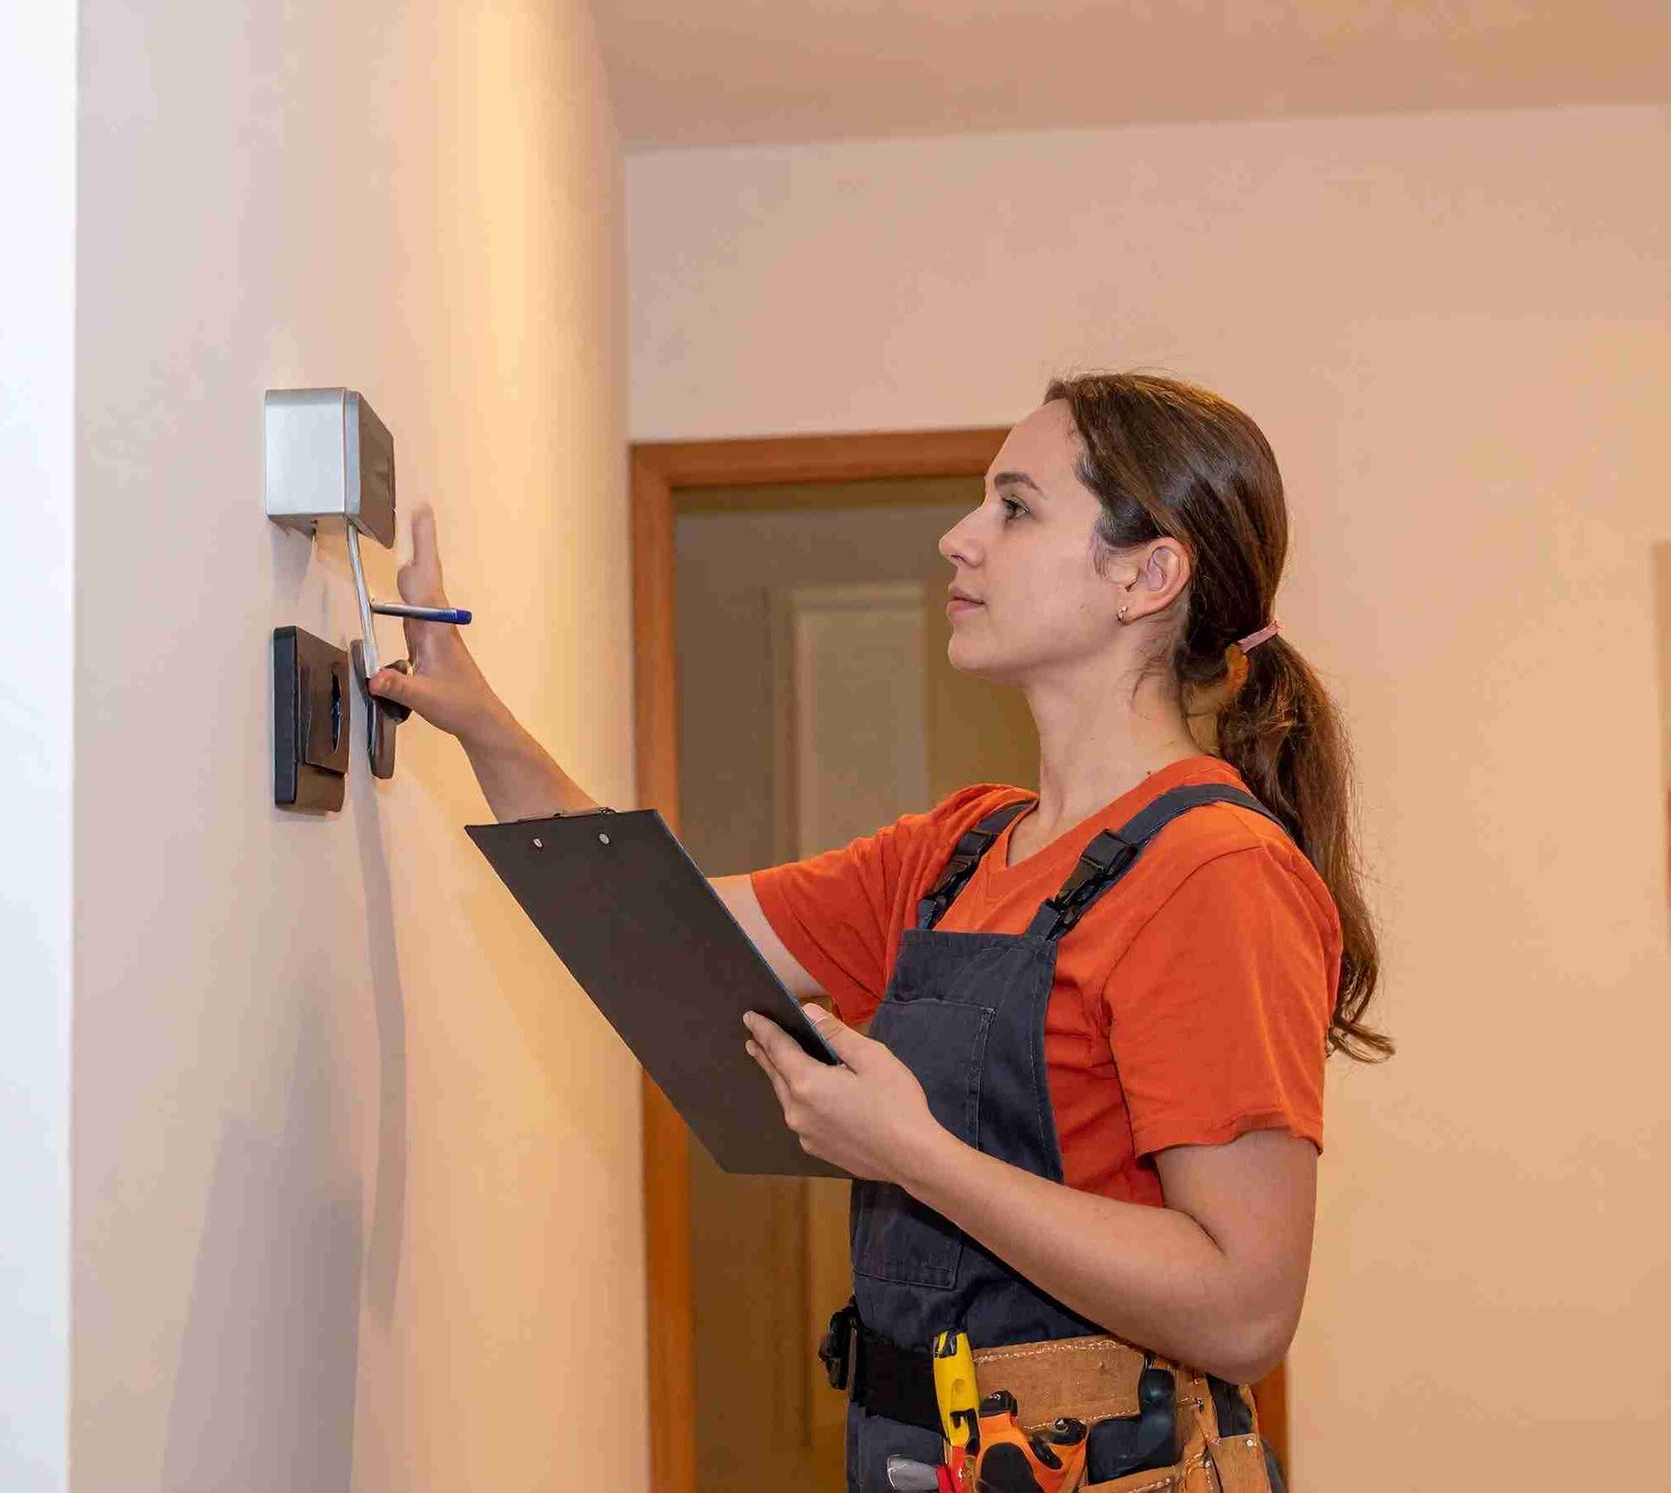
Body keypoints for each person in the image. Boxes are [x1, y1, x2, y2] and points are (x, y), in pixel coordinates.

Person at [368, 371, 1390, 1491]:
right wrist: (478, 715)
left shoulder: (1214, 872)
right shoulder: (955, 853)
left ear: (1146, 576)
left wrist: (918, 1155)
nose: (959, 539)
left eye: (1015, 506)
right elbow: (649, 920)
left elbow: (1244, 1307)